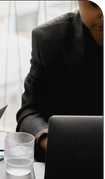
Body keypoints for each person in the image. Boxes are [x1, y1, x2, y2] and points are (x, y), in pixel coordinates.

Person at [16, 0, 104, 161]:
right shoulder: (49, 39)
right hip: (67, 161)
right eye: (95, 3)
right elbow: (30, 112)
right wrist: (52, 143)